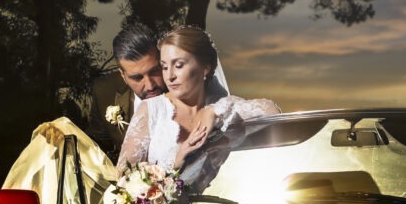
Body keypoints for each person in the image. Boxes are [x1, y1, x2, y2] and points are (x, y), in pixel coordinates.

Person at [116, 25, 279, 192]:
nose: (170, 75)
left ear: (205, 68)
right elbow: (124, 179)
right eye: (164, 67)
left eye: (178, 65)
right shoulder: (150, 110)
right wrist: (176, 160)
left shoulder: (224, 108)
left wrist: (213, 111)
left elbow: (272, 110)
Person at [87, 24, 166, 160]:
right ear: (123, 75)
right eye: (137, 77)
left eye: (154, 71)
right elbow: (96, 146)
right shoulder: (105, 92)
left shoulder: (187, 89)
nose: (150, 85)